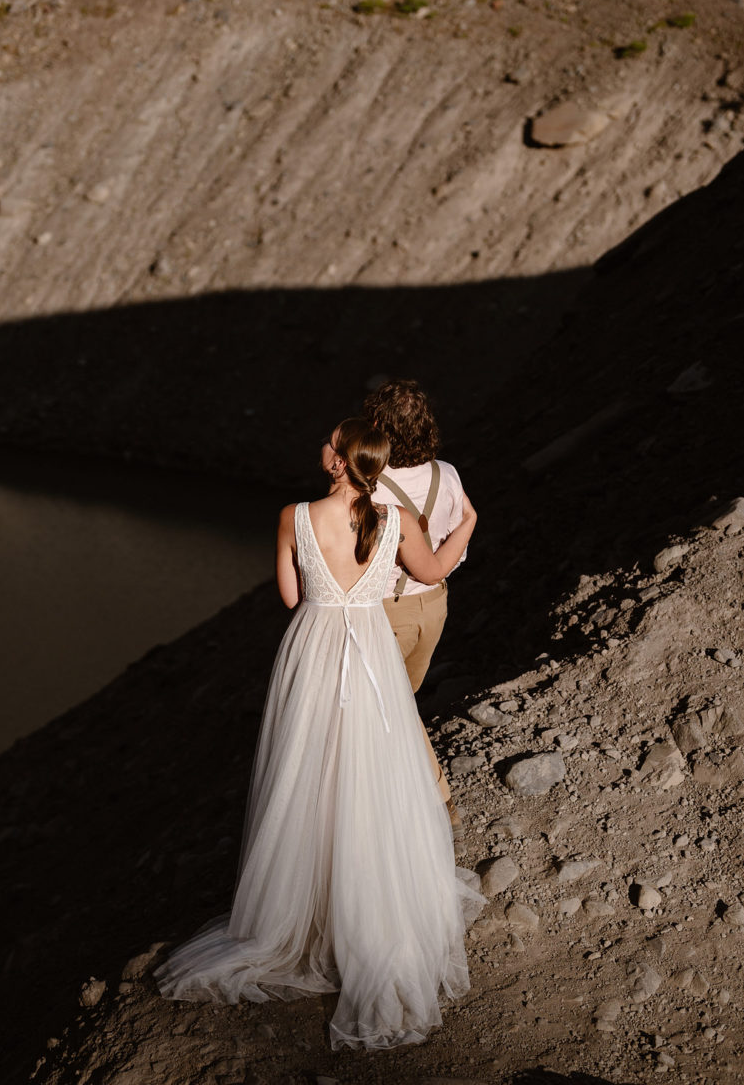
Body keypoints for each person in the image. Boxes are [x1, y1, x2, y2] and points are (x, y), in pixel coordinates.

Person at [154, 417, 482, 1051]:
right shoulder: (396, 520)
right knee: (374, 763)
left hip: (314, 645)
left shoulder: (293, 515)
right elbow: (435, 572)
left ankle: (308, 903)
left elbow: (289, 595)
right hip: (372, 648)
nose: (323, 443)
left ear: (338, 462)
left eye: (330, 440)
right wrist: (465, 522)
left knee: (310, 767)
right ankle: (372, 898)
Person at [364, 380, 469, 839]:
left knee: (390, 709)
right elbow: (460, 531)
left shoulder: (367, 486)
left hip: (386, 610)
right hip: (435, 606)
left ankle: (438, 798)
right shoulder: (447, 473)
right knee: (396, 703)